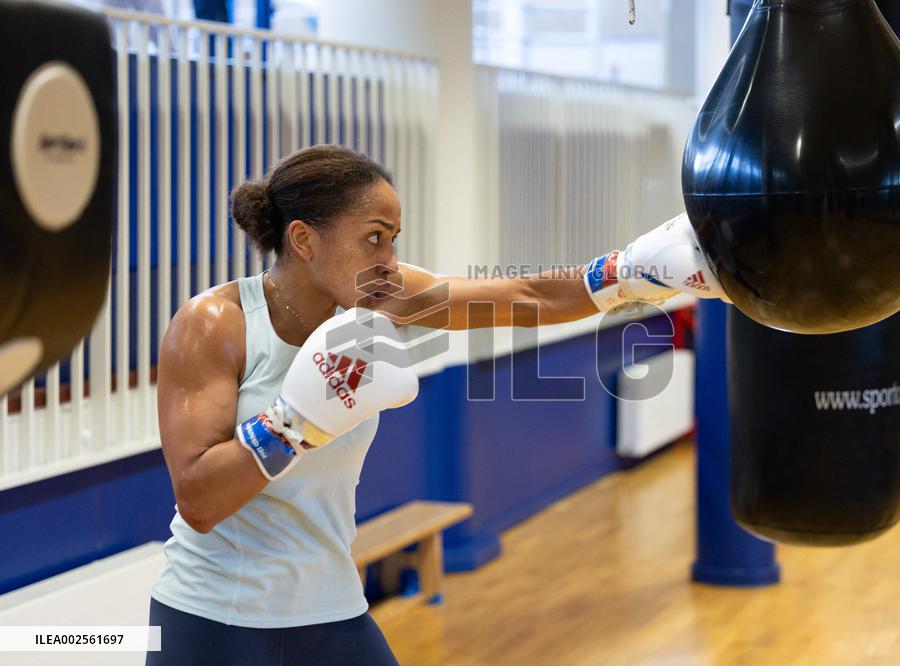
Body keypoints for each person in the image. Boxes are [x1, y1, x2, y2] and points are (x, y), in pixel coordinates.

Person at [146, 144, 724, 665]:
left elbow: (523, 297)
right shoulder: (214, 325)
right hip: (212, 620)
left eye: (394, 239)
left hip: (327, 605)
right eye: (374, 237)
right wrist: (293, 423)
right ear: (303, 240)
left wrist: (629, 274)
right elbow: (198, 499)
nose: (390, 259)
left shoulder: (382, 298)